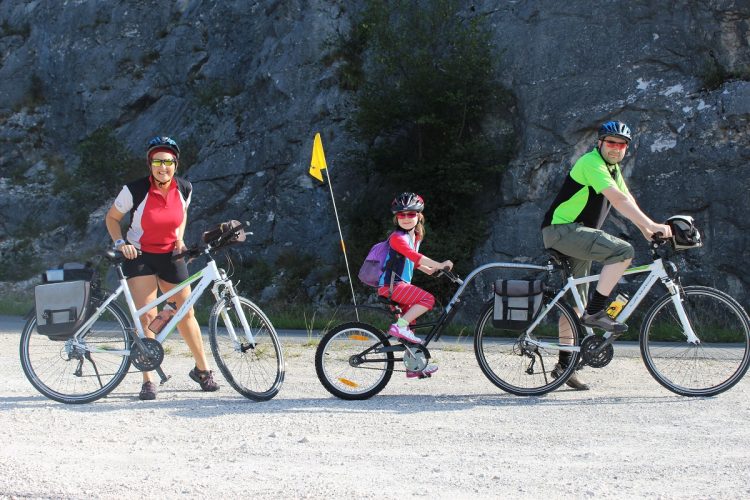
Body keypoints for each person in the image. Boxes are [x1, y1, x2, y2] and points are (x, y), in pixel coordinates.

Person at [540, 120, 672, 390]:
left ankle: (565, 367)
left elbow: (628, 198)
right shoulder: (591, 163)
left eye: (621, 144)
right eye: (611, 142)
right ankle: (597, 311)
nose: (616, 148)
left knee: (574, 303)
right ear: (599, 143)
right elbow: (617, 199)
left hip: (578, 234)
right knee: (623, 251)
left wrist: (648, 230)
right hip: (563, 230)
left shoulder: (612, 168)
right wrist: (654, 226)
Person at [105, 136, 220, 400]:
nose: (163, 167)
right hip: (141, 256)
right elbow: (112, 218)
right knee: (147, 316)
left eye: (168, 162)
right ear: (150, 164)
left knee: (185, 312)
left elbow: (182, 215)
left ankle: (202, 370)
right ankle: (148, 379)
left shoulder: (185, 188)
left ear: (175, 164)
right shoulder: (134, 190)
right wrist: (121, 242)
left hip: (171, 256)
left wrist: (179, 237)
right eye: (157, 161)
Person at [377, 192, 454, 378]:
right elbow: (415, 256)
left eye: (410, 214)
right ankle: (399, 326)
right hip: (392, 286)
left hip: (399, 285)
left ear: (419, 215)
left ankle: (413, 367)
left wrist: (430, 270)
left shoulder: (414, 236)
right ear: (396, 217)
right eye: (401, 215)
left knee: (411, 327)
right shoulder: (397, 237)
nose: (405, 218)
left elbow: (413, 262)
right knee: (427, 298)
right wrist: (440, 264)